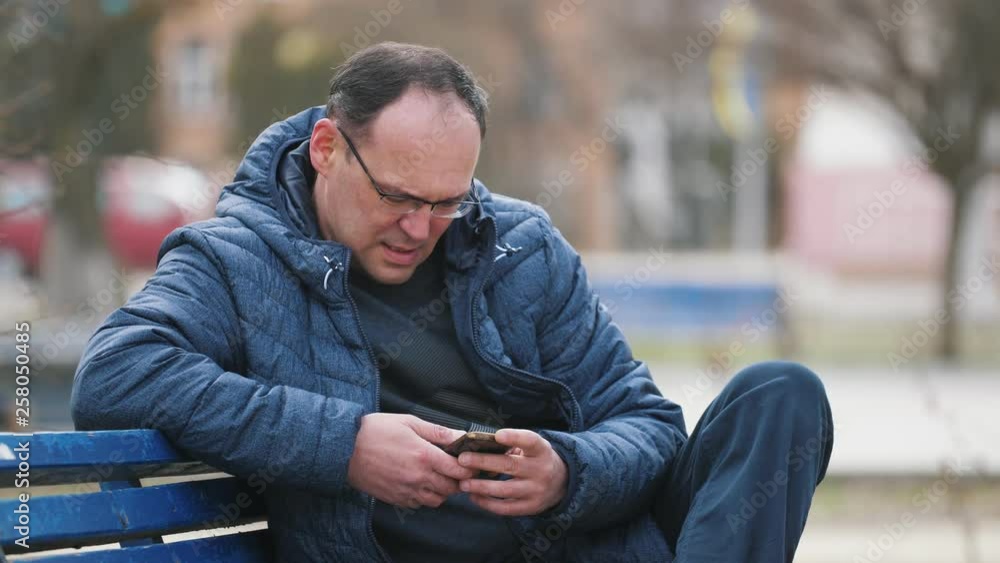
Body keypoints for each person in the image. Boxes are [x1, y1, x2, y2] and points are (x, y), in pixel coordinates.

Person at [71, 42, 833, 562]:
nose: (419, 228)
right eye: (398, 196)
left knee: (782, 394)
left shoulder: (519, 245)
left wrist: (569, 468)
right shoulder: (234, 259)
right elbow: (114, 375)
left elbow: (649, 426)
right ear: (328, 149)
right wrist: (348, 445)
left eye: (446, 201)